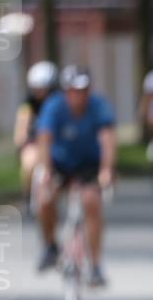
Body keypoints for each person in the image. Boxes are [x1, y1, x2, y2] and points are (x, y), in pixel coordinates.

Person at [34, 65, 116, 287]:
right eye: (73, 90)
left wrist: (107, 169)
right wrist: (46, 171)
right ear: (66, 91)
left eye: (83, 90)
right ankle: (50, 245)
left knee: (91, 202)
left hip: (89, 164)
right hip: (60, 164)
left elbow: (107, 139)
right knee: (45, 199)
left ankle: (96, 265)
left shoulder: (98, 106)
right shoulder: (53, 107)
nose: (78, 96)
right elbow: (44, 139)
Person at [13, 61, 57, 206]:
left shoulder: (59, 103)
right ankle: (27, 194)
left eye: (43, 89)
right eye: (37, 88)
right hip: (34, 143)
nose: (40, 92)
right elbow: (22, 125)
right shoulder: (27, 104)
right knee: (29, 164)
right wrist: (20, 141)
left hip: (55, 143)